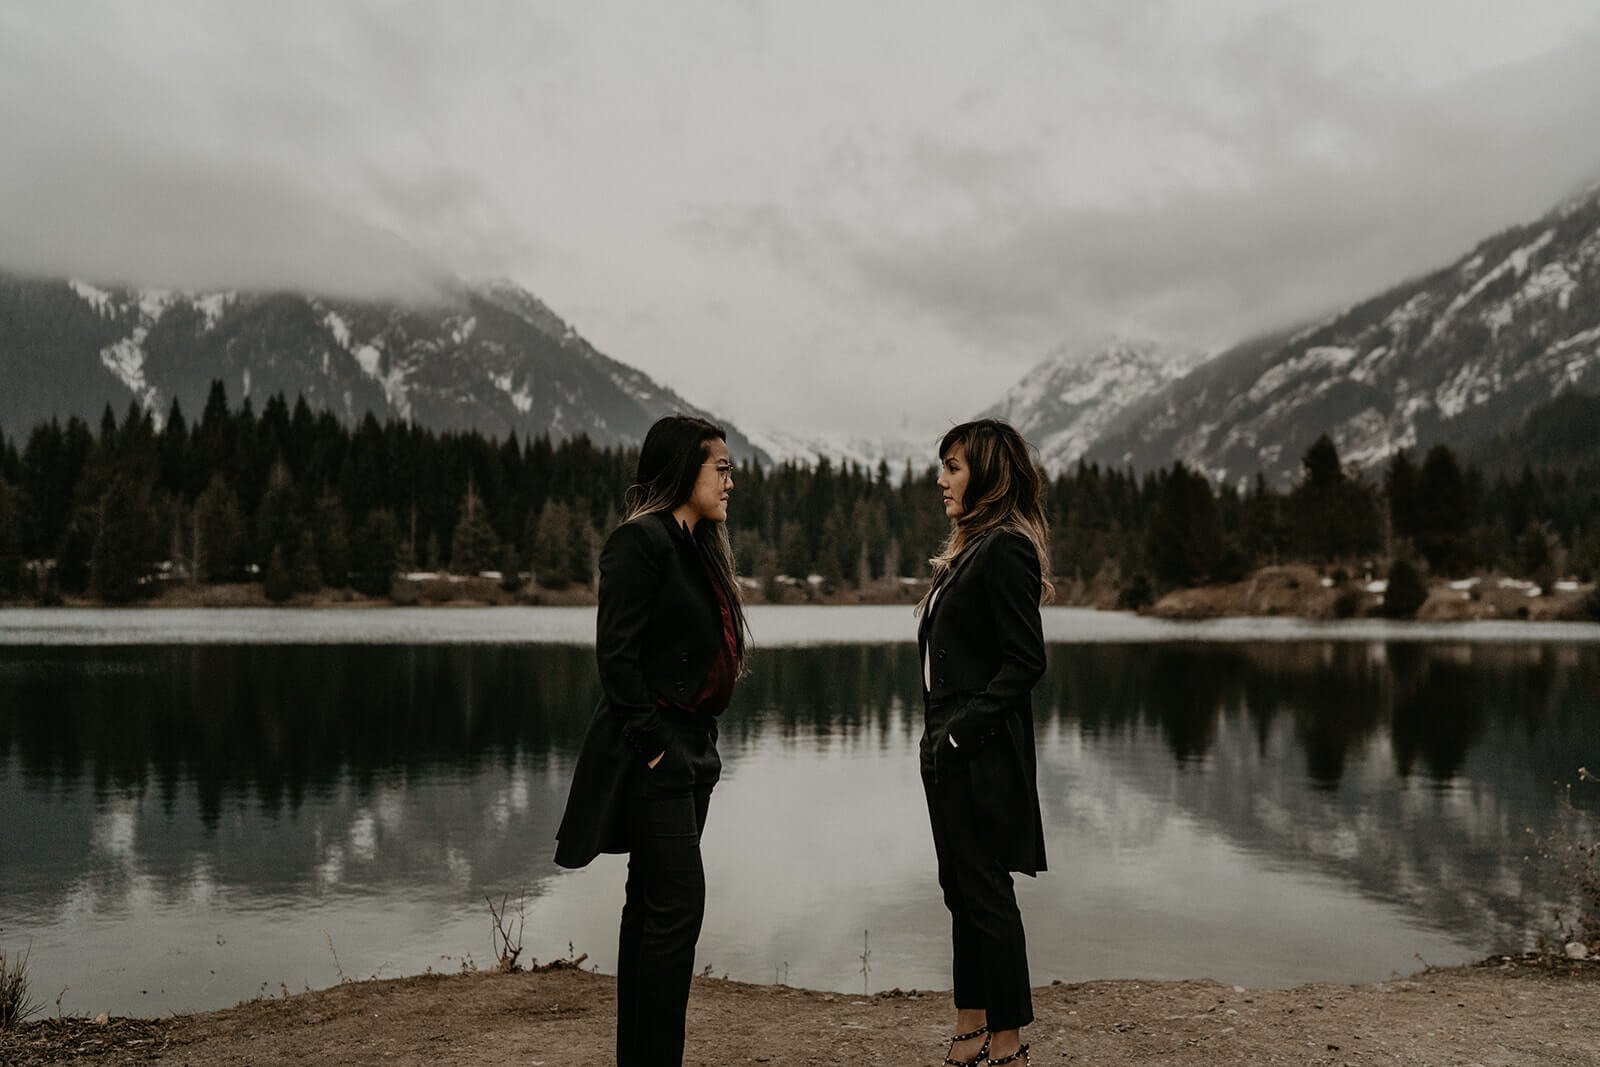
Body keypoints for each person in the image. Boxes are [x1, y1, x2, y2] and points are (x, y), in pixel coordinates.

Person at [554, 414, 747, 1067]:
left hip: (694, 747)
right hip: (656, 751)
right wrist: (654, 743)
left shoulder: (695, 546)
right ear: (681, 469)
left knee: (652, 907)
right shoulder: (638, 542)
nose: (729, 479)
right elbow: (616, 655)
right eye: (720, 466)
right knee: (676, 908)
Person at [916, 418, 1052, 1067]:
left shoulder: (1006, 549)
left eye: (953, 467)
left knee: (987, 892)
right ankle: (970, 1024)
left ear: (987, 476)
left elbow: (1026, 661)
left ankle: (1008, 1041)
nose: (941, 479)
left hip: (978, 748)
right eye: (943, 466)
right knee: (959, 888)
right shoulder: (971, 547)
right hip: (944, 744)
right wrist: (937, 739)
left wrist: (961, 734)